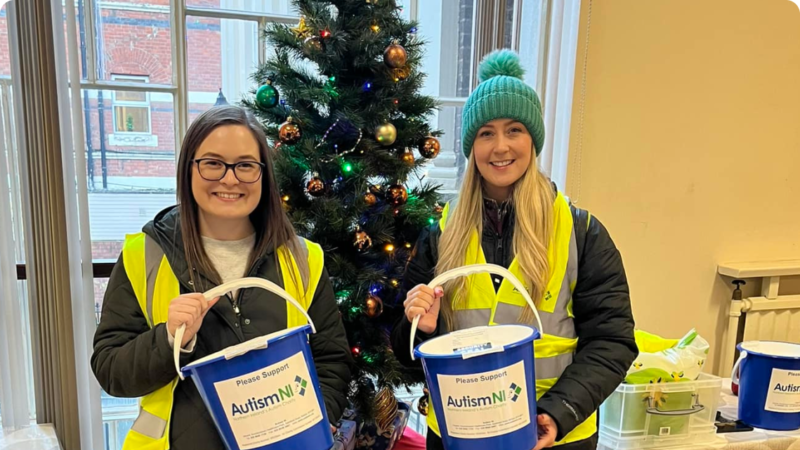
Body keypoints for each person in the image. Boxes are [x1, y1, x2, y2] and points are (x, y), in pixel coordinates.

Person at [390, 50, 638, 450]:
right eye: (486, 133)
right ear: (472, 145)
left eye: (514, 130)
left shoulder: (581, 231)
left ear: (533, 139)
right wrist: (421, 326)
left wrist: (557, 413)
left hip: (553, 436)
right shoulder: (440, 233)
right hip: (459, 433)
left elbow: (613, 342)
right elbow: (405, 353)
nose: (500, 146)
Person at [92, 106, 352, 450]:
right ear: (189, 169)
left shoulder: (304, 259)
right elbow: (111, 370)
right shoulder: (144, 255)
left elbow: (331, 360)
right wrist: (169, 339)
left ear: (263, 175)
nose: (230, 179)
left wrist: (316, 422)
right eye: (213, 163)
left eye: (245, 165)